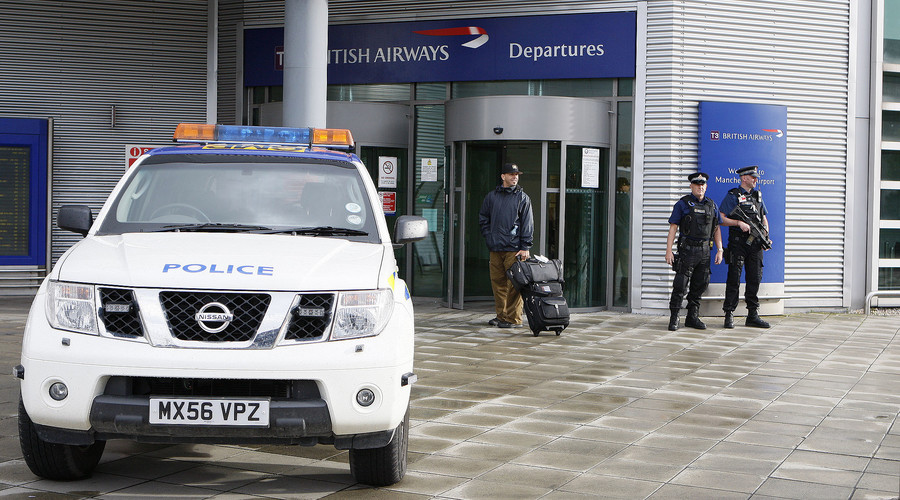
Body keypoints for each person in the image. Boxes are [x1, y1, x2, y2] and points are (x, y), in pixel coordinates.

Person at [665, 172, 724, 331]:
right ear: (691, 186)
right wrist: (668, 250)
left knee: (700, 284)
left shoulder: (711, 205)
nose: (700, 187)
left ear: (706, 186)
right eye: (697, 185)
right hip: (687, 251)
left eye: (703, 185)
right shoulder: (682, 204)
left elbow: (716, 228)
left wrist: (720, 249)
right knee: (680, 285)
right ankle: (674, 317)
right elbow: (673, 227)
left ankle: (692, 317)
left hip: (705, 251)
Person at [479, 162, 534, 328]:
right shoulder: (491, 197)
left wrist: (525, 247)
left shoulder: (523, 198)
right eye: (511, 174)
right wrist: (489, 237)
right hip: (496, 248)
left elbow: (528, 224)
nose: (515, 177)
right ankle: (502, 316)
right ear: (503, 176)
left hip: (515, 250)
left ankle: (513, 319)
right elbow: (483, 219)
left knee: (515, 286)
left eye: (516, 175)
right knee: (498, 284)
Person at [719, 165, 772, 329]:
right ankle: (729, 314)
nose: (755, 179)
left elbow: (763, 218)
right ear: (744, 178)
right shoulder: (733, 196)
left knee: (754, 278)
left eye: (756, 177)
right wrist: (738, 223)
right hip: (738, 243)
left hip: (755, 244)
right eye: (752, 177)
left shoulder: (758, 196)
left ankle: (752, 315)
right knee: (734, 278)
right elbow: (721, 218)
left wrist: (766, 237)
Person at [614, 177, 631, 304]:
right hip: (624, 236)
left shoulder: (613, 198)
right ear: (622, 187)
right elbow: (627, 217)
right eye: (627, 185)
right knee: (625, 267)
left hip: (615, 236)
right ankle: (624, 294)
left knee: (614, 266)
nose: (629, 187)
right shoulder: (624, 199)